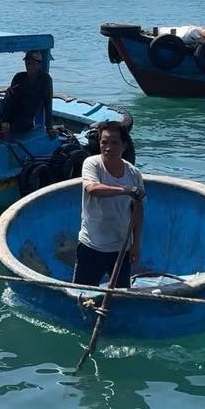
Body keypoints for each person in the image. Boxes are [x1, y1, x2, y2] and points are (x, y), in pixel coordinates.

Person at [74, 121, 144, 287]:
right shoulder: (92, 164)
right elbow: (92, 188)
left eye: (114, 143)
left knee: (120, 297)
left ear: (124, 146)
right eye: (104, 142)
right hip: (91, 246)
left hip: (121, 248)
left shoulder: (134, 174)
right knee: (82, 295)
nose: (108, 148)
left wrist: (136, 245)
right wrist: (126, 190)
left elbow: (138, 212)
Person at [0, 50, 56, 137]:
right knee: (10, 93)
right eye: (27, 63)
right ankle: (3, 124)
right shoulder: (19, 77)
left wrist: (49, 127)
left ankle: (6, 126)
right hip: (13, 112)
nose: (29, 66)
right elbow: (10, 100)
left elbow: (48, 103)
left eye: (33, 63)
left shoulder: (45, 79)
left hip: (27, 117)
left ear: (39, 65)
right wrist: (4, 120)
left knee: (24, 125)